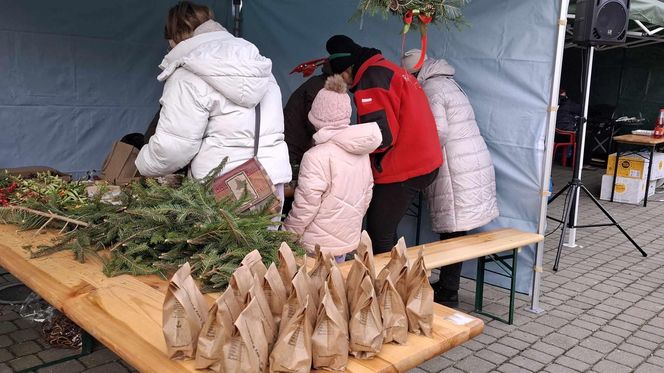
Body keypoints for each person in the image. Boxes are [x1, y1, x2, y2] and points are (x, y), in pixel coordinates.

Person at [135, 1, 291, 207]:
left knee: (221, 240)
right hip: (269, 179)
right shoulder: (259, 65)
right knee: (269, 240)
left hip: (222, 188)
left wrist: (141, 161)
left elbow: (174, 149)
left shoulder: (188, 72)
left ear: (176, 37)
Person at [325, 35, 443, 254]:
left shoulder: (372, 80)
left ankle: (386, 287)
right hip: (422, 158)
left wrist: (346, 147)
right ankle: (398, 281)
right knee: (386, 228)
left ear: (348, 67)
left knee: (379, 231)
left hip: (406, 164)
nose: (344, 83)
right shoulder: (384, 69)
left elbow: (380, 137)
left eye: (341, 76)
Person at [402, 50, 499, 307]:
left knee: (453, 229)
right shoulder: (449, 83)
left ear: (416, 72)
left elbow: (437, 131)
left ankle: (449, 292)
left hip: (456, 166)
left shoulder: (432, 89)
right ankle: (447, 284)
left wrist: (416, 154)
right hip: (471, 161)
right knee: (456, 229)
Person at [283, 75, 382, 260]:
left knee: (312, 288)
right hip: (345, 240)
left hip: (315, 246)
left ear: (317, 117)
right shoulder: (361, 152)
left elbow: (306, 206)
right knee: (334, 286)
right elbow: (366, 194)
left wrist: (287, 234)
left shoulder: (315, 156)